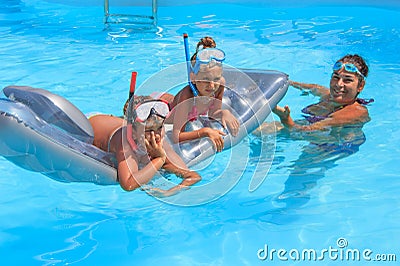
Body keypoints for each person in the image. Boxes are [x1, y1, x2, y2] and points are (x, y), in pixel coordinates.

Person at [89, 96, 201, 196]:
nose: (155, 135)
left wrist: (170, 192)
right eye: (148, 130)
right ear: (133, 132)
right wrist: (159, 159)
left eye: (159, 128)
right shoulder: (126, 144)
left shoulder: (159, 141)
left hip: (118, 122)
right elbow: (128, 184)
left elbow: (193, 176)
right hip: (90, 122)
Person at [257, 54, 373, 133]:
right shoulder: (329, 95)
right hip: (307, 128)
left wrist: (285, 118)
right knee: (255, 130)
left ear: (361, 86)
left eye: (347, 80)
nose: (339, 84)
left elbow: (301, 132)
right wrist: (284, 83)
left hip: (331, 147)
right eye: (336, 77)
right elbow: (314, 88)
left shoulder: (352, 113)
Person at [164, 36, 240, 152]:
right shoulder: (188, 96)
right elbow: (176, 136)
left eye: (216, 78)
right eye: (205, 79)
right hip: (166, 111)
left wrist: (225, 112)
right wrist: (205, 131)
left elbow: (212, 113)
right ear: (193, 78)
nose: (212, 86)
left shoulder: (220, 84)